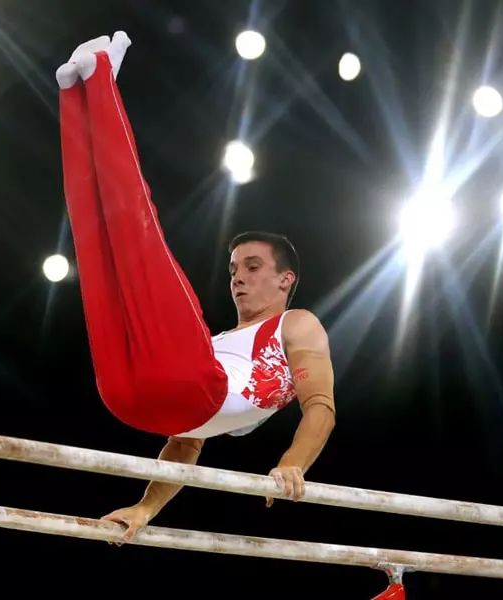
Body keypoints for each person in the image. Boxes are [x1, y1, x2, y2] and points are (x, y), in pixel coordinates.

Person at [56, 32, 336, 544]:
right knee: (101, 243)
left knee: (126, 233)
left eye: (253, 266)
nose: (238, 276)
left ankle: (98, 80)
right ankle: (78, 89)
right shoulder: (212, 345)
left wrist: (293, 462)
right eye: (233, 268)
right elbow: (185, 444)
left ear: (286, 278)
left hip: (152, 394)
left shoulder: (296, 324)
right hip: (144, 394)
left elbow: (320, 404)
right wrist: (145, 508)